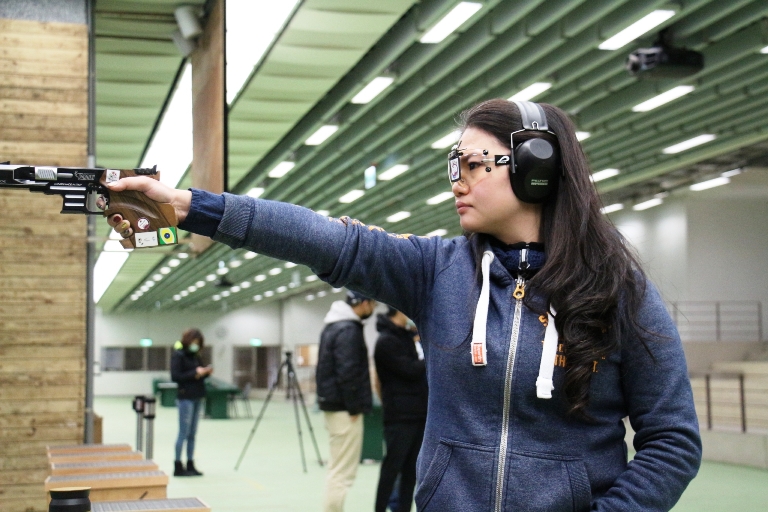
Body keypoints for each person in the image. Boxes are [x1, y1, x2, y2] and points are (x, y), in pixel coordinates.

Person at [105, 98, 702, 511]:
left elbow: (672, 440)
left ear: (534, 171)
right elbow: (323, 237)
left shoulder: (618, 291)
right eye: (454, 166)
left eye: (472, 165)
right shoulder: (436, 271)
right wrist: (190, 207)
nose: (456, 182)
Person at [315, 290, 376, 511]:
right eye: (373, 303)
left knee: (336, 468)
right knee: (342, 474)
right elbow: (347, 372)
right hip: (344, 410)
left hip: (334, 407)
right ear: (364, 303)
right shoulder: (348, 329)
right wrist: (354, 407)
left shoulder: (333, 326)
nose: (374, 308)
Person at [373, 307, 428, 512]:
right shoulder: (386, 342)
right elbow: (410, 370)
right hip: (399, 416)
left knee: (410, 472)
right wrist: (431, 357)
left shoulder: (406, 337)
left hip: (417, 414)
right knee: (391, 470)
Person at [170, 327, 212, 477]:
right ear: (188, 340)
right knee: (183, 432)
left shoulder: (196, 356)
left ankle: (190, 463)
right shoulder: (179, 355)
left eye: (198, 343)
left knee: (193, 433)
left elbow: (198, 375)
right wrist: (195, 373)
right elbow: (175, 376)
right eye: (194, 342)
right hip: (185, 398)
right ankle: (177, 465)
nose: (196, 345)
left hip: (197, 396)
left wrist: (205, 373)